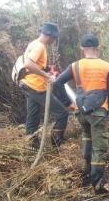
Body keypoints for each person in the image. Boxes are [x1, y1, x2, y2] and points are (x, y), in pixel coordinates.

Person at [54, 34, 109, 194]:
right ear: (98, 48)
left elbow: (58, 83)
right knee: (99, 147)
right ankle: (97, 184)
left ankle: (86, 172)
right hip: (99, 111)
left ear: (82, 49)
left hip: (81, 111)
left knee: (87, 137)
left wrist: (69, 104)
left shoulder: (75, 66)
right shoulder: (106, 66)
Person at [19, 22, 71, 150]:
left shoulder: (34, 43)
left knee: (33, 117)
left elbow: (34, 64)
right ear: (50, 36)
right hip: (36, 87)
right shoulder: (40, 46)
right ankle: (56, 145)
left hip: (27, 84)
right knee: (62, 113)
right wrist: (47, 76)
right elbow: (28, 64)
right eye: (54, 37)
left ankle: (31, 147)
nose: (54, 40)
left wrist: (47, 69)